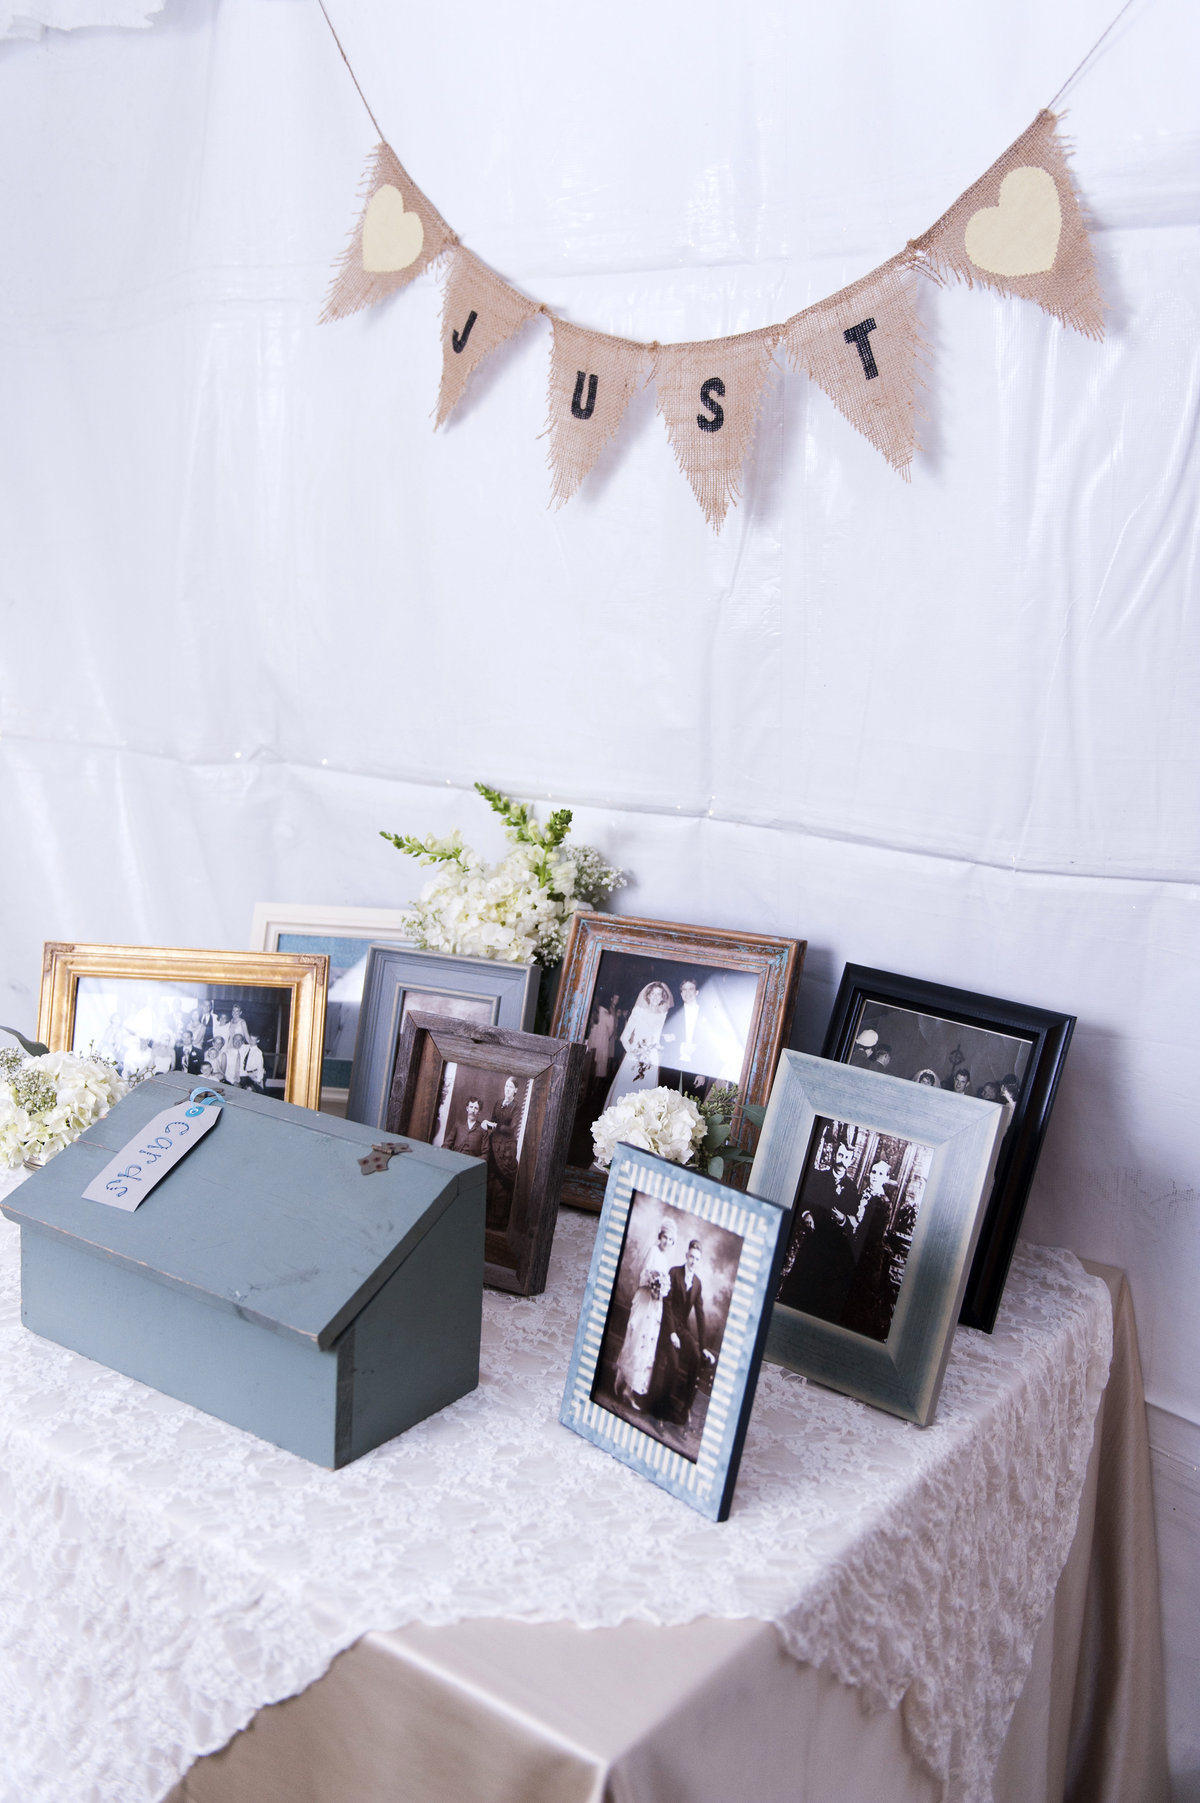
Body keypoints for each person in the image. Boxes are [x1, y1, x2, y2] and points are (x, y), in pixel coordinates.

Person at [777, 1133, 860, 1322]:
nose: (842, 1160)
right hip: (812, 1238)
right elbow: (804, 1199)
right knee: (803, 1276)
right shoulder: (818, 1177)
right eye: (840, 1155)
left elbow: (851, 1218)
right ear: (834, 1155)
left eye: (847, 1157)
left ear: (851, 1160)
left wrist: (842, 1220)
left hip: (833, 1245)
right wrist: (806, 1214)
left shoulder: (852, 1189)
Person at [650, 1238, 716, 1426]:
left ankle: (685, 1409)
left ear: (699, 1261)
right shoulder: (674, 1273)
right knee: (673, 1363)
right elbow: (667, 1304)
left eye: (697, 1258)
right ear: (686, 1256)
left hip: (682, 1330)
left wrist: (703, 1347)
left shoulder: (697, 1283)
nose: (693, 1261)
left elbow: (700, 1315)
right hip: (666, 1328)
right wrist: (671, 1333)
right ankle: (661, 1413)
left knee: (695, 1358)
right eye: (691, 1257)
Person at [614, 1218, 676, 1410]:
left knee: (645, 1347)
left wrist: (661, 1289)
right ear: (660, 1237)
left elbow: (663, 1283)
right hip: (644, 1300)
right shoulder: (653, 1251)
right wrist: (653, 1283)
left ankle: (629, 1390)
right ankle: (620, 1380)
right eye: (664, 1237)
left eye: (670, 1239)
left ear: (673, 1242)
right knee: (634, 1341)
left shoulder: (666, 1259)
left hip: (655, 1306)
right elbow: (643, 1275)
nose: (666, 1241)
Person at [839, 1157, 899, 1341]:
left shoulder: (883, 1202)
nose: (875, 1176)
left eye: (880, 1174)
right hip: (855, 1246)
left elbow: (871, 1233)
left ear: (886, 1178)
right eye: (873, 1172)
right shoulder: (864, 1194)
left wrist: (847, 1222)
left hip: (868, 1253)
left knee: (860, 1298)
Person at [603, 982, 674, 1110]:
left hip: (652, 1060)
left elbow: (660, 1039)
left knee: (646, 1095)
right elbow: (624, 1037)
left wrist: (665, 1042)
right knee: (627, 1091)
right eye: (653, 993)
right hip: (634, 1056)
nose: (655, 997)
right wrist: (634, 1051)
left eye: (659, 994)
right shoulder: (638, 1011)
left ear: (663, 996)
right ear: (648, 995)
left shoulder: (664, 1015)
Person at [484, 1076, 521, 1231]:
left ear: (516, 1091)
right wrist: (488, 1125)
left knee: (501, 1184)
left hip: (507, 1147)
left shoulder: (516, 1107)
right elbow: (493, 1121)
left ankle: (499, 1222)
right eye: (506, 1086)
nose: (507, 1089)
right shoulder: (498, 1103)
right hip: (494, 1144)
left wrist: (495, 1125)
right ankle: (486, 1218)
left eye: (510, 1087)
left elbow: (511, 1129)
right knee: (491, 1178)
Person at [586, 996, 620, 1086]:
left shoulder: (595, 1013)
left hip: (593, 1039)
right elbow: (611, 1030)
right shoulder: (608, 1016)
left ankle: (587, 1082)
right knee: (600, 1061)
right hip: (603, 1040)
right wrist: (606, 1037)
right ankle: (595, 1084)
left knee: (591, 1059)